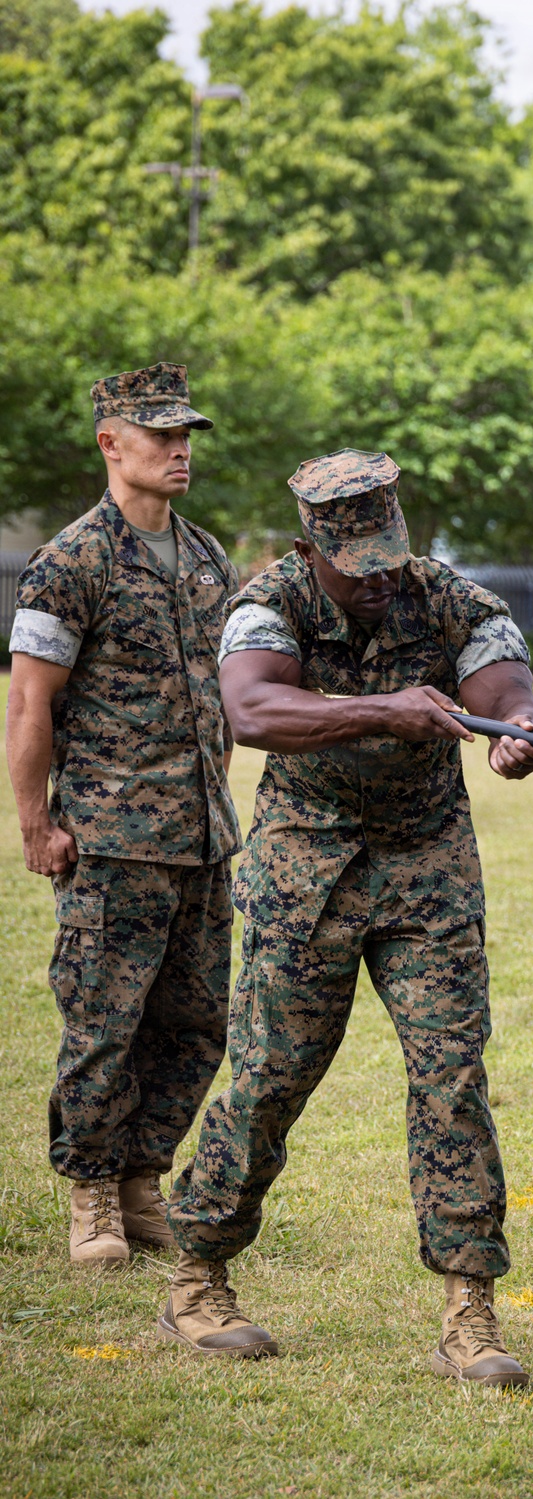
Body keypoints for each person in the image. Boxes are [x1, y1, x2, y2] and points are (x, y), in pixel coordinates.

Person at [160, 448, 533, 1378]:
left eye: (388, 556)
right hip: (307, 869)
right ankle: (198, 1273)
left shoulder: (450, 596)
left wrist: (516, 734)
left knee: (453, 1077)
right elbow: (251, 709)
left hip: (427, 868)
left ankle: (470, 1309)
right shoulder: (270, 600)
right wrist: (384, 711)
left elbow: (505, 687)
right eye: (356, 563)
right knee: (268, 1077)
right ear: (311, 546)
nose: (377, 580)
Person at [5, 362, 241, 1269]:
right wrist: (37, 823)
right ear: (111, 442)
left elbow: (220, 696)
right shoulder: (71, 561)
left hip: (203, 840)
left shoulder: (210, 555)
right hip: (110, 840)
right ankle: (93, 1192)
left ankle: (146, 1180)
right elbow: (30, 705)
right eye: (160, 434)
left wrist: (216, 798)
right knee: (104, 1018)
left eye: (186, 434)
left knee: (195, 1022)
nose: (180, 449)